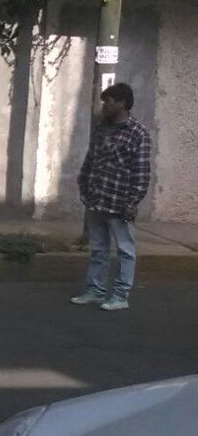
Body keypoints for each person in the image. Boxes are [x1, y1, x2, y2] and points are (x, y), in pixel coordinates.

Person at [70, 83, 152, 311]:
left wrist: (132, 202)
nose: (104, 106)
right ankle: (95, 290)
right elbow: (91, 159)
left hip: (120, 203)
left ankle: (120, 295)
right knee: (98, 248)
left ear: (122, 103)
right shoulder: (101, 128)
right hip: (96, 199)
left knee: (125, 250)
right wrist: (84, 185)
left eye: (108, 102)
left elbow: (141, 172)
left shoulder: (138, 133)